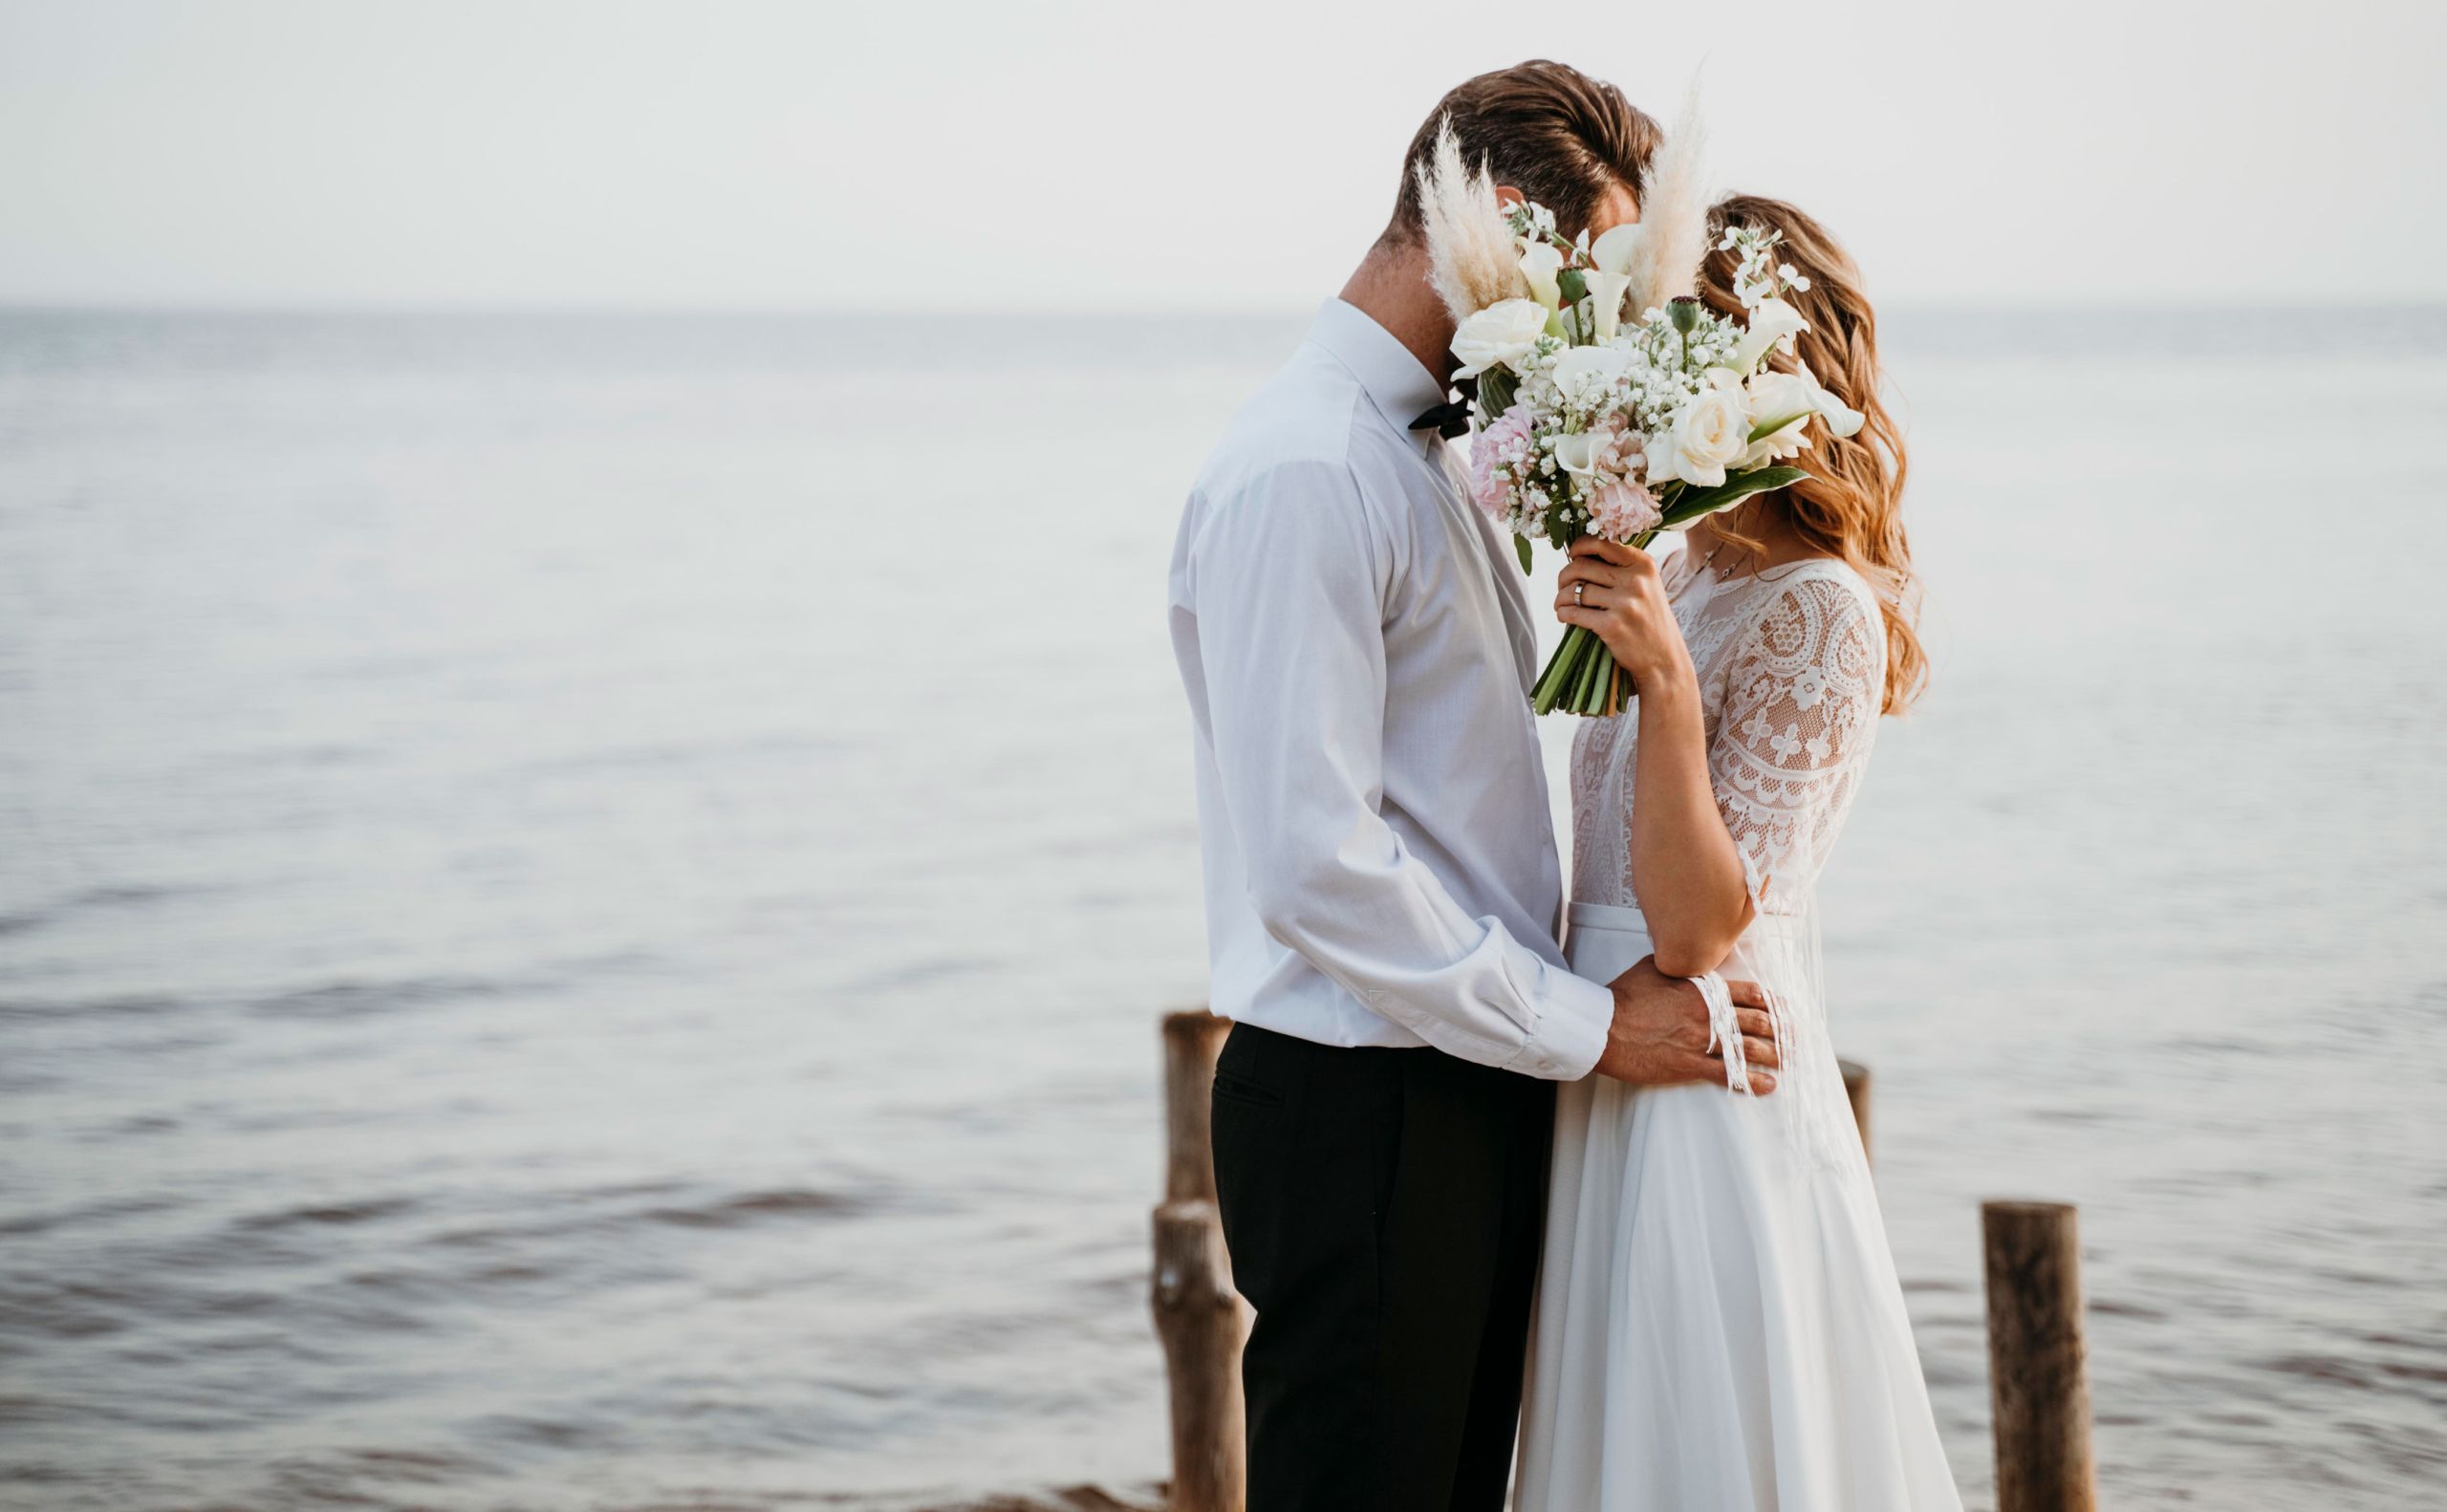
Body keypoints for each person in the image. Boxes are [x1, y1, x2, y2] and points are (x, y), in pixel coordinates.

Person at [1166, 61, 1783, 1512]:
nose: (1606, 322)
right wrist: (1590, 1028)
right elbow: (1316, 861)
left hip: (1454, 1086)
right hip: (1362, 1104)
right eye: (1598, 277)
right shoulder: (1308, 468)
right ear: (1499, 224)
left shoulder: (1428, 458)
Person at [1512, 193, 1962, 1509]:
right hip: (1601, 1045)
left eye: (1689, 353)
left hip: (1702, 1078)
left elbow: (1700, 930)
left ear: (1777, 370)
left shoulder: (1823, 609)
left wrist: (1667, 684)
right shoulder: (1684, 563)